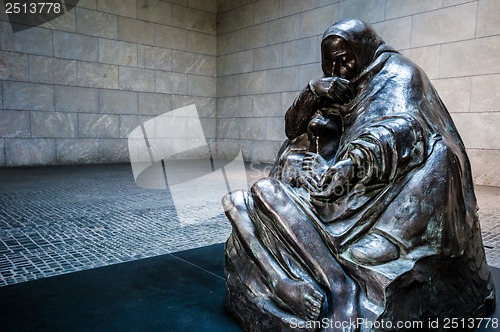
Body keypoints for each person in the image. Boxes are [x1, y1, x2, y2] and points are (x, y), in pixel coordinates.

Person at [223, 19, 495, 331]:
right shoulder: (339, 87)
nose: (339, 69)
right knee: (249, 197)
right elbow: (293, 128)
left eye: (344, 59)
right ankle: (286, 278)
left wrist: (347, 167)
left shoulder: (400, 75)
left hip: (376, 190)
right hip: (333, 184)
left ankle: (348, 276)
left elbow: (402, 127)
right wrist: (312, 92)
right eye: (331, 63)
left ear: (363, 48)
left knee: (259, 197)